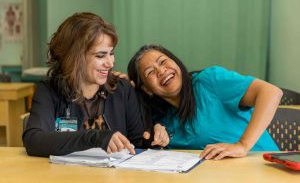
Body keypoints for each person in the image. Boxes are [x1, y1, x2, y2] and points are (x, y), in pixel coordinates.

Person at [22, 13, 168, 157]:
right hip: (67, 178)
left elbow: (137, 142)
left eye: (111, 53)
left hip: (113, 179)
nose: (110, 63)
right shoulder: (48, 91)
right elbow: (34, 140)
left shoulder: (122, 89)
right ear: (74, 57)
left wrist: (153, 137)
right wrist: (96, 137)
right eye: (100, 56)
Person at [127, 44, 283, 160]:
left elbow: (271, 93)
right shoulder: (161, 120)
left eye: (163, 62)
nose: (161, 71)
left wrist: (242, 145)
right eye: (150, 72)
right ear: (146, 89)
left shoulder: (209, 81)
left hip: (262, 167)